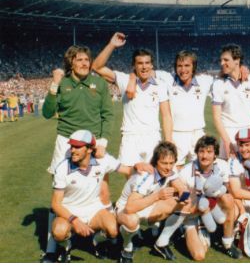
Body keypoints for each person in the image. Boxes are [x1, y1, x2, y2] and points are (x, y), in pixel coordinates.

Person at [42, 45, 114, 261]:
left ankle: (98, 240)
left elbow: (108, 114)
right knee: (58, 193)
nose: (84, 63)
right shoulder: (62, 83)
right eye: (79, 59)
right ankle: (52, 248)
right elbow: (47, 113)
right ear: (70, 62)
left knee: (101, 190)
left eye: (87, 60)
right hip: (65, 141)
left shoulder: (99, 83)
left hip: (92, 144)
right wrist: (54, 85)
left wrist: (102, 142)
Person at [48, 130, 152, 263]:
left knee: (113, 231)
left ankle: (95, 241)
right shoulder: (62, 168)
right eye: (72, 146)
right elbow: (56, 204)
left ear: (90, 149)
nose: (73, 150)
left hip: (94, 210)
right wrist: (75, 220)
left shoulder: (103, 160)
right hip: (70, 211)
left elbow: (127, 170)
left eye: (78, 147)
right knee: (59, 232)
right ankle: (66, 246)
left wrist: (137, 166)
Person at [92, 32, 172, 173]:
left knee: (154, 182)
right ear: (134, 65)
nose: (144, 67)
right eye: (140, 63)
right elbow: (96, 67)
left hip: (152, 137)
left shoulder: (161, 85)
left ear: (152, 65)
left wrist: (169, 142)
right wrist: (112, 45)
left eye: (147, 63)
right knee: (132, 183)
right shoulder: (124, 80)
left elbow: (166, 115)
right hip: (130, 137)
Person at [115, 141, 189, 263]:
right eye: (164, 163)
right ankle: (127, 248)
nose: (168, 167)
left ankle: (161, 243)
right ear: (155, 162)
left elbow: (181, 187)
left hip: (146, 205)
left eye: (171, 163)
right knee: (132, 220)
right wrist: (157, 196)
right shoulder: (146, 176)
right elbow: (129, 208)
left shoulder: (169, 171)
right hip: (124, 209)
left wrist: (183, 194)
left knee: (186, 205)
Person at [177, 135, 242, 261]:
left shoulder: (222, 166)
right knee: (199, 255)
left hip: (213, 207)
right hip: (193, 212)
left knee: (228, 199)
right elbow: (181, 201)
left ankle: (228, 243)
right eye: (201, 151)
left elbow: (226, 188)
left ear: (215, 154)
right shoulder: (185, 172)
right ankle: (185, 231)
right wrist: (192, 203)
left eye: (209, 152)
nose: (205, 156)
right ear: (196, 153)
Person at [212, 44, 250, 159]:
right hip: (229, 134)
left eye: (226, 60)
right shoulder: (218, 84)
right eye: (221, 60)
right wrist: (226, 141)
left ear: (237, 60)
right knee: (229, 173)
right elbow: (216, 117)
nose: (222, 63)